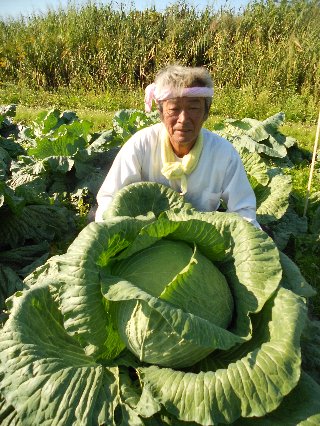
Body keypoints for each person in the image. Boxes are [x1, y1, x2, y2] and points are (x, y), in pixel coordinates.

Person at [95, 64, 260, 228]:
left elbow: (243, 210)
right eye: (174, 108)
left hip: (202, 235)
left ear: (206, 113)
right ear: (160, 113)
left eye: (194, 108)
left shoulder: (223, 153)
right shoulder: (141, 145)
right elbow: (110, 199)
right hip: (145, 233)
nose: (183, 119)